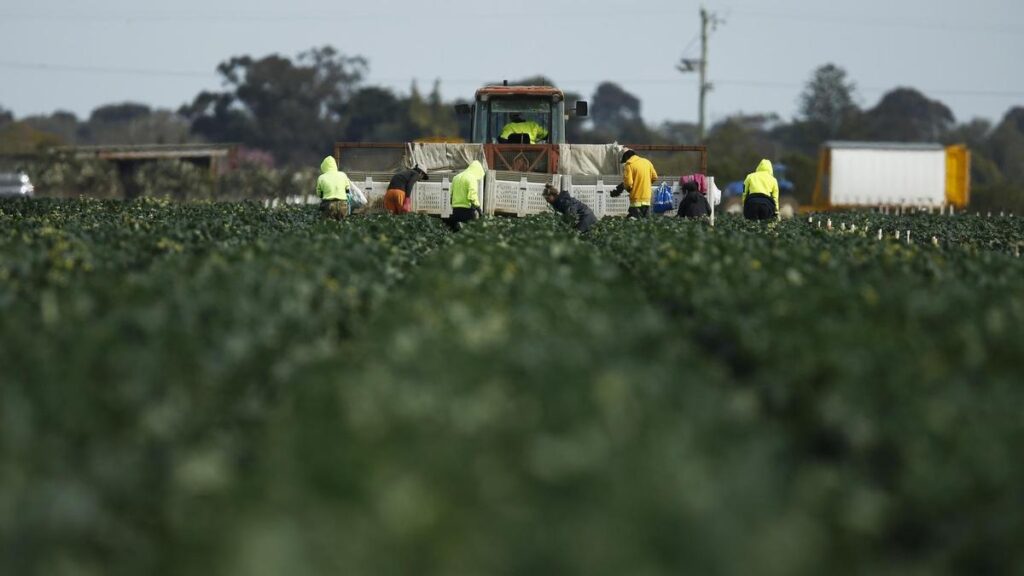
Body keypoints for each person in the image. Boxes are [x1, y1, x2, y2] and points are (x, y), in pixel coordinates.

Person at [610, 149, 659, 219]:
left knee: (634, 221)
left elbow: (629, 183)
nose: (625, 162)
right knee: (645, 222)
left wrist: (628, 189)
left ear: (627, 158)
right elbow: (655, 177)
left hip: (636, 198)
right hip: (647, 198)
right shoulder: (647, 162)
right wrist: (645, 184)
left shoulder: (629, 164)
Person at [446, 160, 485, 231]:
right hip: (467, 210)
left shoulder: (456, 177)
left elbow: (451, 194)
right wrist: (479, 210)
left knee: (456, 232)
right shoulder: (471, 178)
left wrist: (453, 204)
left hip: (455, 210)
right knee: (470, 233)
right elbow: (472, 196)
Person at [316, 155, 350, 221]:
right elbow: (347, 189)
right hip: (342, 204)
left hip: (328, 204)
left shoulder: (321, 177)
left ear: (323, 167)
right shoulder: (343, 175)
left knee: (329, 226)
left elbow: (319, 193)